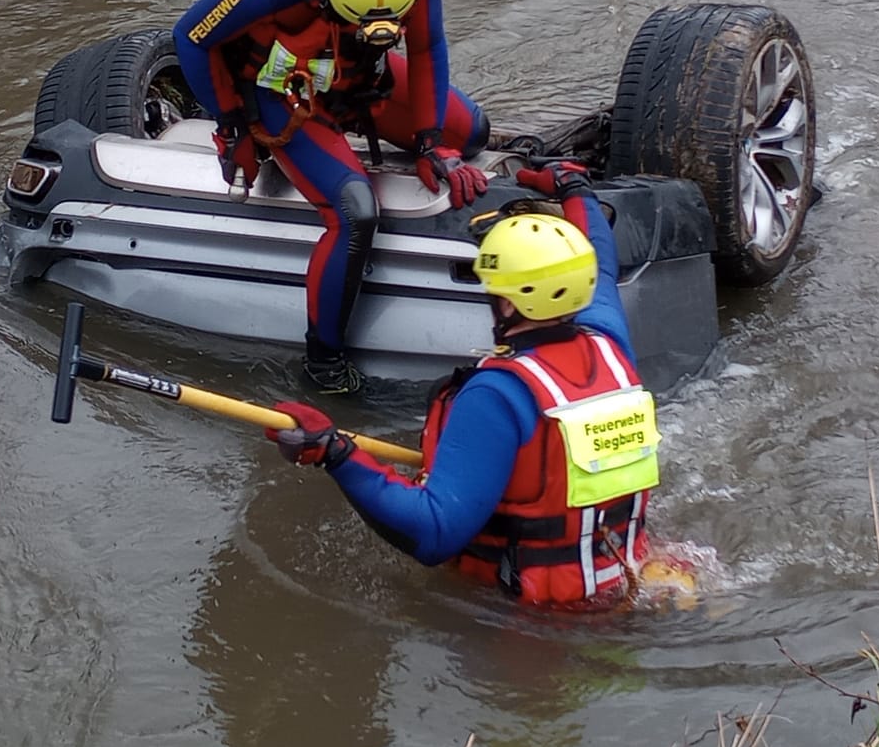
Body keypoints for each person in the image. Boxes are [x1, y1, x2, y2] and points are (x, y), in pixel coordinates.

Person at [261, 160, 662, 608]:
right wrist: (575, 188)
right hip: (626, 585)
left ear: (507, 303)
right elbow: (601, 261)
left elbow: (434, 532)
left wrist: (334, 453)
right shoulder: (610, 345)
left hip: (539, 621)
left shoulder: (499, 395)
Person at [173, 0, 492, 395]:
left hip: (362, 77)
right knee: (355, 211)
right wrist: (233, 126)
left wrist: (431, 142)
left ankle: (409, 125)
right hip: (286, 92)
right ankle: (323, 362)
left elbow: (428, 44)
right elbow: (191, 37)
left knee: (472, 130)